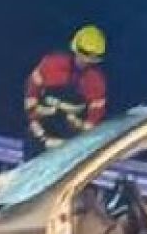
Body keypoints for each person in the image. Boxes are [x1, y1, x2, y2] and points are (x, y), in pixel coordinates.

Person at [23, 24, 108, 157]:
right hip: (40, 134)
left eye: (93, 57)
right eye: (84, 54)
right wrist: (40, 133)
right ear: (75, 49)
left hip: (70, 142)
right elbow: (31, 94)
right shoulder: (51, 64)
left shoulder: (96, 81)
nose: (86, 60)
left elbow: (94, 119)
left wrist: (76, 141)